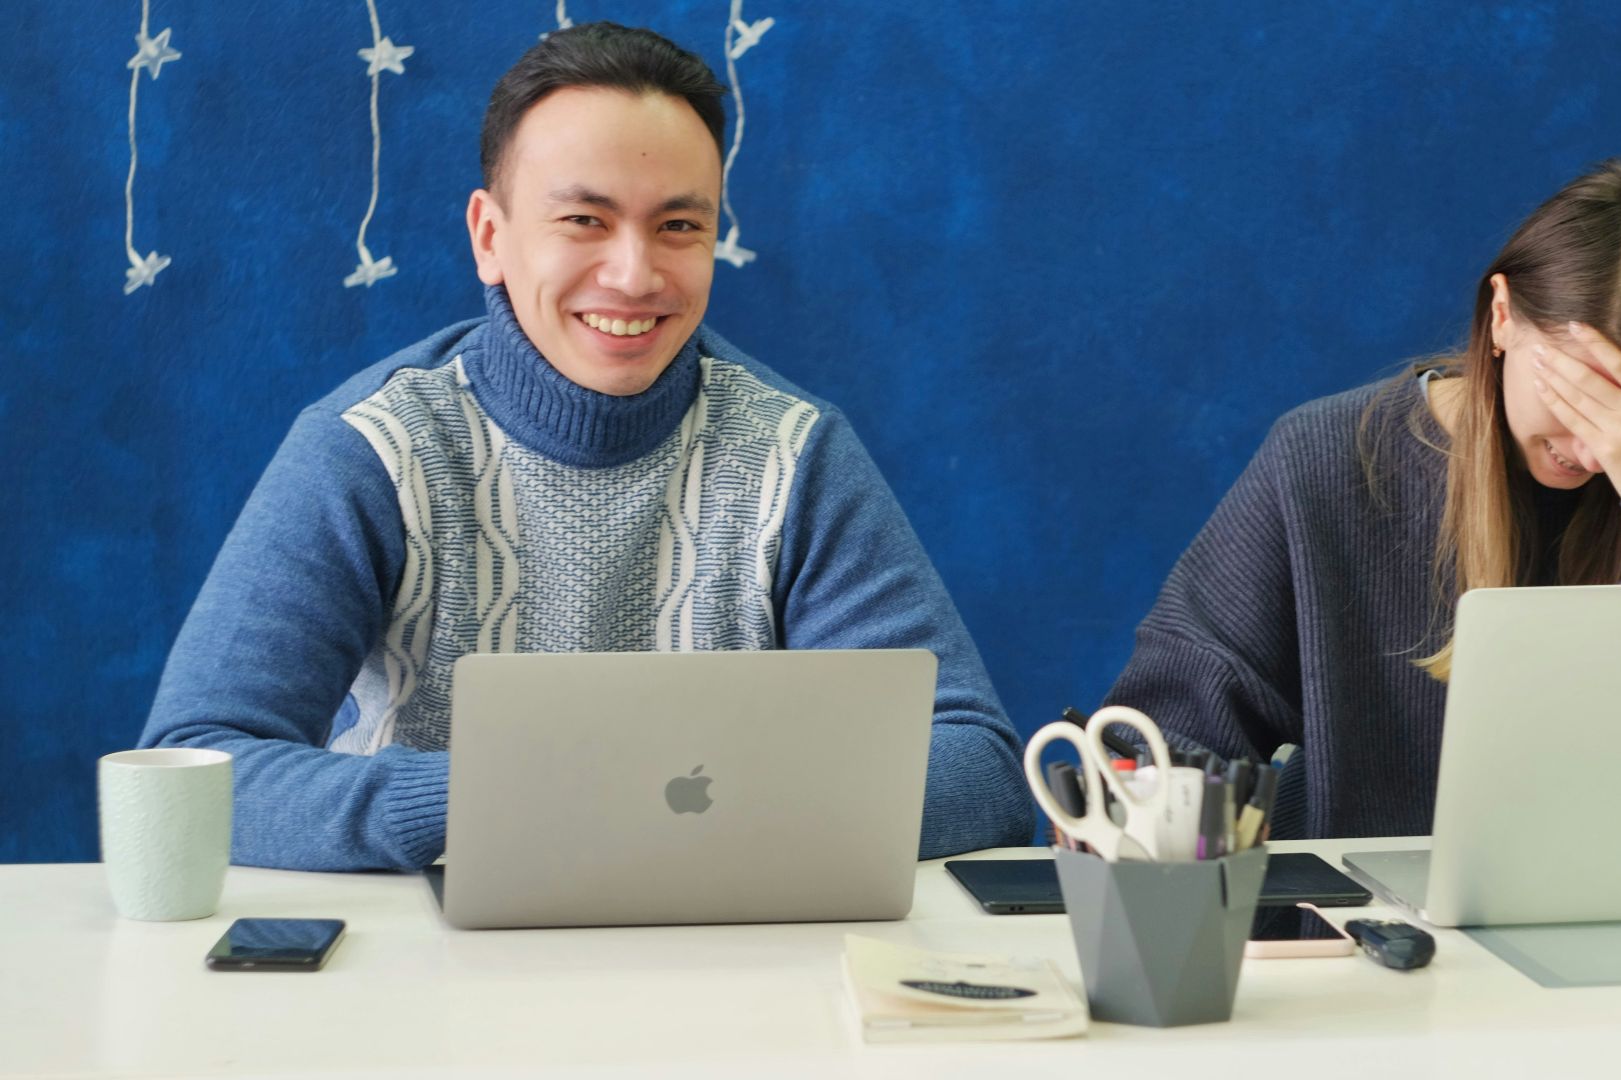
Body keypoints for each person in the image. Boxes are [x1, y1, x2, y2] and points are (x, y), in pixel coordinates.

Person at [140, 23, 1031, 870]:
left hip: (723, 961)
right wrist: (497, 803)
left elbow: (976, 764)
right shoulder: (372, 447)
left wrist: (664, 808)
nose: (635, 275)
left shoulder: (795, 454)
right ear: (492, 236)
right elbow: (197, 767)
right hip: (431, 966)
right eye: (584, 221)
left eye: (679, 226)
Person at [1103, 160, 1621, 840]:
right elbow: (1160, 743)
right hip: (1371, 946)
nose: (1600, 453)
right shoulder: (1326, 458)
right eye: (1578, 396)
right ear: (1502, 316)